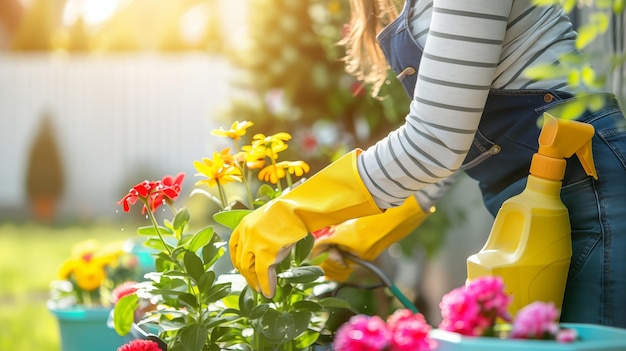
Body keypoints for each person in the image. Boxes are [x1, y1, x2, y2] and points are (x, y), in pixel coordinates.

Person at [229, 0, 626, 328]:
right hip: (540, 207)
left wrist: (293, 210)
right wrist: (368, 228)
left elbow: (435, 142)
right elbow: (455, 135)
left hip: (588, 190)